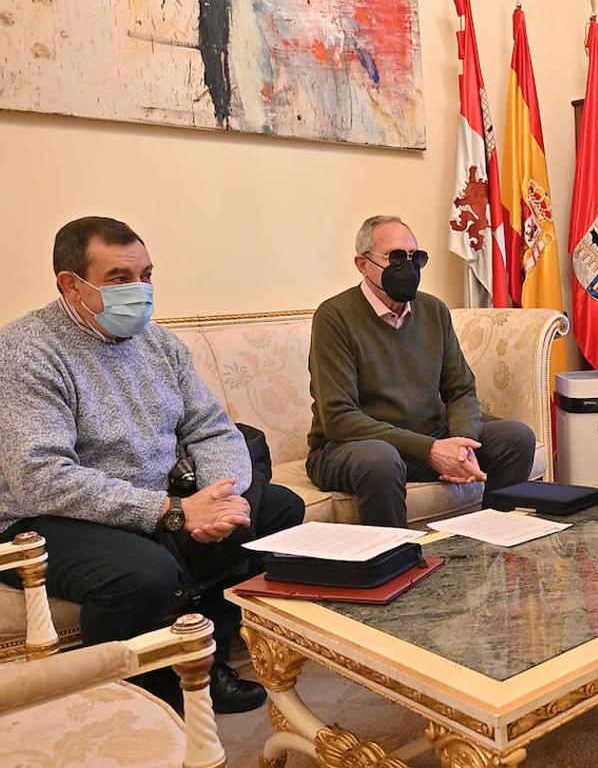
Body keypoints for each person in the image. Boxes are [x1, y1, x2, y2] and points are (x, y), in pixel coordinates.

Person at [0, 216, 305, 714]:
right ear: (70, 285)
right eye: (119, 278)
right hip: (43, 518)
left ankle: (206, 657)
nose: (139, 290)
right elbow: (41, 478)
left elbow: (211, 427)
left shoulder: (160, 344)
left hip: (159, 496)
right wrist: (172, 511)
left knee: (277, 508)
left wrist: (219, 497)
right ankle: (128, 695)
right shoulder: (26, 352)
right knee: (145, 573)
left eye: (146, 275)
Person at [305, 215, 536, 527]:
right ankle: (395, 555)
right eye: (396, 257)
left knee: (516, 438)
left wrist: (461, 443)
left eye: (416, 257)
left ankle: (492, 541)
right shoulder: (334, 316)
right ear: (363, 264)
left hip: (426, 439)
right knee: (381, 460)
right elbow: (339, 418)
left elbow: (460, 389)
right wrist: (430, 450)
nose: (409, 267)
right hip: (353, 447)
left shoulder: (433, 310)